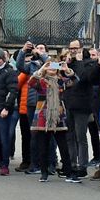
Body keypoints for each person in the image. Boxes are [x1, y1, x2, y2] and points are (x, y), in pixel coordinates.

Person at [28, 53, 76, 182]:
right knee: (43, 146)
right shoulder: (41, 81)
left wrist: (67, 70)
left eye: (54, 65)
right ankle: (44, 173)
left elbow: (76, 81)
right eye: (49, 65)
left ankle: (69, 173)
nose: (52, 68)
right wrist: (41, 69)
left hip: (59, 116)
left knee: (63, 147)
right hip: (43, 115)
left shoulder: (61, 81)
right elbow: (31, 82)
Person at [60, 38, 100, 180]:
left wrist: (80, 61)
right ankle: (71, 164)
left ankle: (82, 166)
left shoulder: (89, 62)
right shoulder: (68, 62)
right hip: (69, 103)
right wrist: (66, 66)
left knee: (80, 136)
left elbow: (84, 78)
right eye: (71, 48)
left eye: (75, 48)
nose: (73, 51)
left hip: (83, 105)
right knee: (69, 136)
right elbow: (63, 78)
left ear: (81, 49)